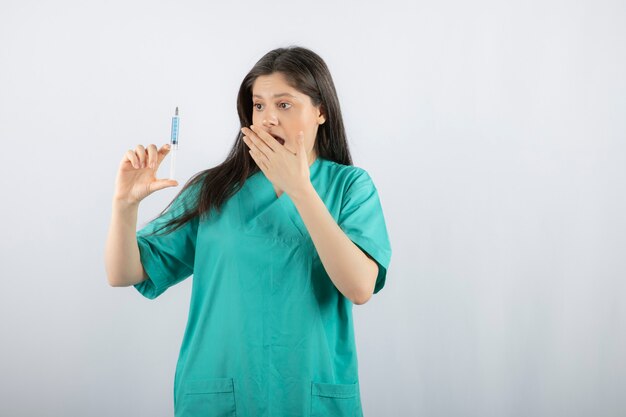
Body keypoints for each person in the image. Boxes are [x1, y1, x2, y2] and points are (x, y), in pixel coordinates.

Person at [105, 45, 392, 417]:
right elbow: (123, 273)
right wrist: (125, 206)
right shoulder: (214, 189)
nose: (268, 119)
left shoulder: (350, 187)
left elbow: (359, 287)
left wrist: (300, 190)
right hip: (219, 393)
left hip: (309, 395)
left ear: (320, 111)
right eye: (259, 106)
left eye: (284, 105)